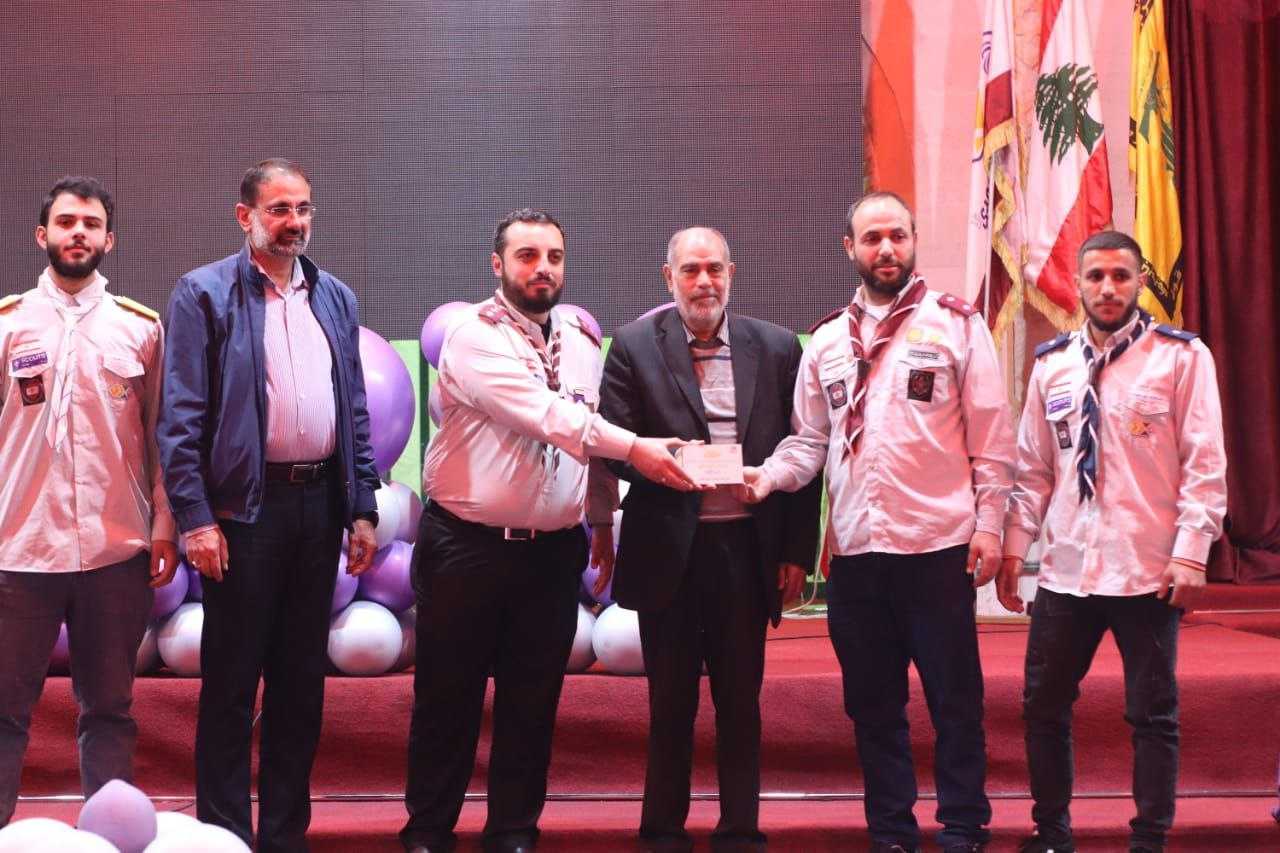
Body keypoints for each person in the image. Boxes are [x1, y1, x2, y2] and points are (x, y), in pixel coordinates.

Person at [401, 208, 698, 853]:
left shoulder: (581, 339)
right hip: (467, 547)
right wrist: (639, 449)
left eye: (554, 257)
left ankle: (513, 831)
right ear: (498, 264)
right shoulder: (472, 336)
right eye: (528, 256)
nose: (543, 269)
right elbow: (548, 416)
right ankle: (428, 832)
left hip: (553, 553)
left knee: (532, 701)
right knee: (447, 699)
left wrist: (601, 520)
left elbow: (589, 443)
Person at [738, 191, 1015, 853]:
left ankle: (962, 826)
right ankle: (892, 830)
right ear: (850, 248)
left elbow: (992, 438)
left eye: (897, 235)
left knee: (955, 702)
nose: (886, 248)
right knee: (872, 707)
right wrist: (764, 477)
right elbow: (810, 441)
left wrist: (991, 526)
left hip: (937, 547)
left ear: (913, 240)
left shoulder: (956, 325)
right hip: (858, 558)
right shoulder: (828, 340)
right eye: (872, 238)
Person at [156, 158, 381, 852]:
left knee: (299, 686)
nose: (294, 223)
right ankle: (224, 836)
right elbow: (180, 419)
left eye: (303, 209)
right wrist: (195, 518)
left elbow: (355, 409)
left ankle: (285, 837)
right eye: (279, 209)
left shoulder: (335, 296)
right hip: (242, 516)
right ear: (245, 216)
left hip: (320, 508)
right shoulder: (202, 293)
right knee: (231, 685)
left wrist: (363, 508)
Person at [998, 230, 1227, 853]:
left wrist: (1191, 552)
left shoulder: (1180, 358)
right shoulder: (1053, 365)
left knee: (1152, 713)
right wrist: (1015, 547)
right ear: (1077, 283)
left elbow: (1205, 464)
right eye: (1095, 276)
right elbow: (1034, 468)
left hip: (1146, 568)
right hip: (1067, 569)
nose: (1107, 288)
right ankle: (1052, 834)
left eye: (1121, 276)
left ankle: (1149, 839)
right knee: (1043, 706)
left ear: (1140, 281)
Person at [595, 226, 821, 852]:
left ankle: (740, 830)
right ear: (668, 278)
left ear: (731, 274)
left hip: (746, 550)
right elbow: (611, 445)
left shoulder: (776, 347)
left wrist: (796, 551)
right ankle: (662, 831)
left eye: (714, 269)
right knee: (670, 702)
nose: (704, 282)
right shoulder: (634, 346)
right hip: (668, 551)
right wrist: (659, 460)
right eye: (691, 270)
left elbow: (805, 449)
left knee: (740, 702)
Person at [0, 176, 178, 826]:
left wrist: (165, 526)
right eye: (67, 221)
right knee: (3, 712)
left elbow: (163, 438)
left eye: (92, 223)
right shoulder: (7, 323)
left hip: (115, 551)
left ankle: (109, 836)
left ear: (110, 239)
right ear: (41, 235)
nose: (79, 232)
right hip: (18, 551)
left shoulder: (141, 328)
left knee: (109, 711)